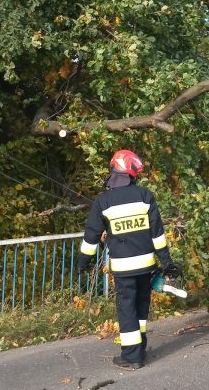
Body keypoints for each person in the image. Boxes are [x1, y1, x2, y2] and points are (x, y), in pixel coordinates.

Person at [77, 149, 181, 370]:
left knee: (127, 309)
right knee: (141, 307)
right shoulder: (145, 196)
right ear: (132, 173)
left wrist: (82, 262)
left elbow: (91, 236)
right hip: (146, 266)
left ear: (115, 170)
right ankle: (140, 349)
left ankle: (132, 357)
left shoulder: (103, 201)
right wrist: (167, 262)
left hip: (124, 269)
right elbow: (158, 234)